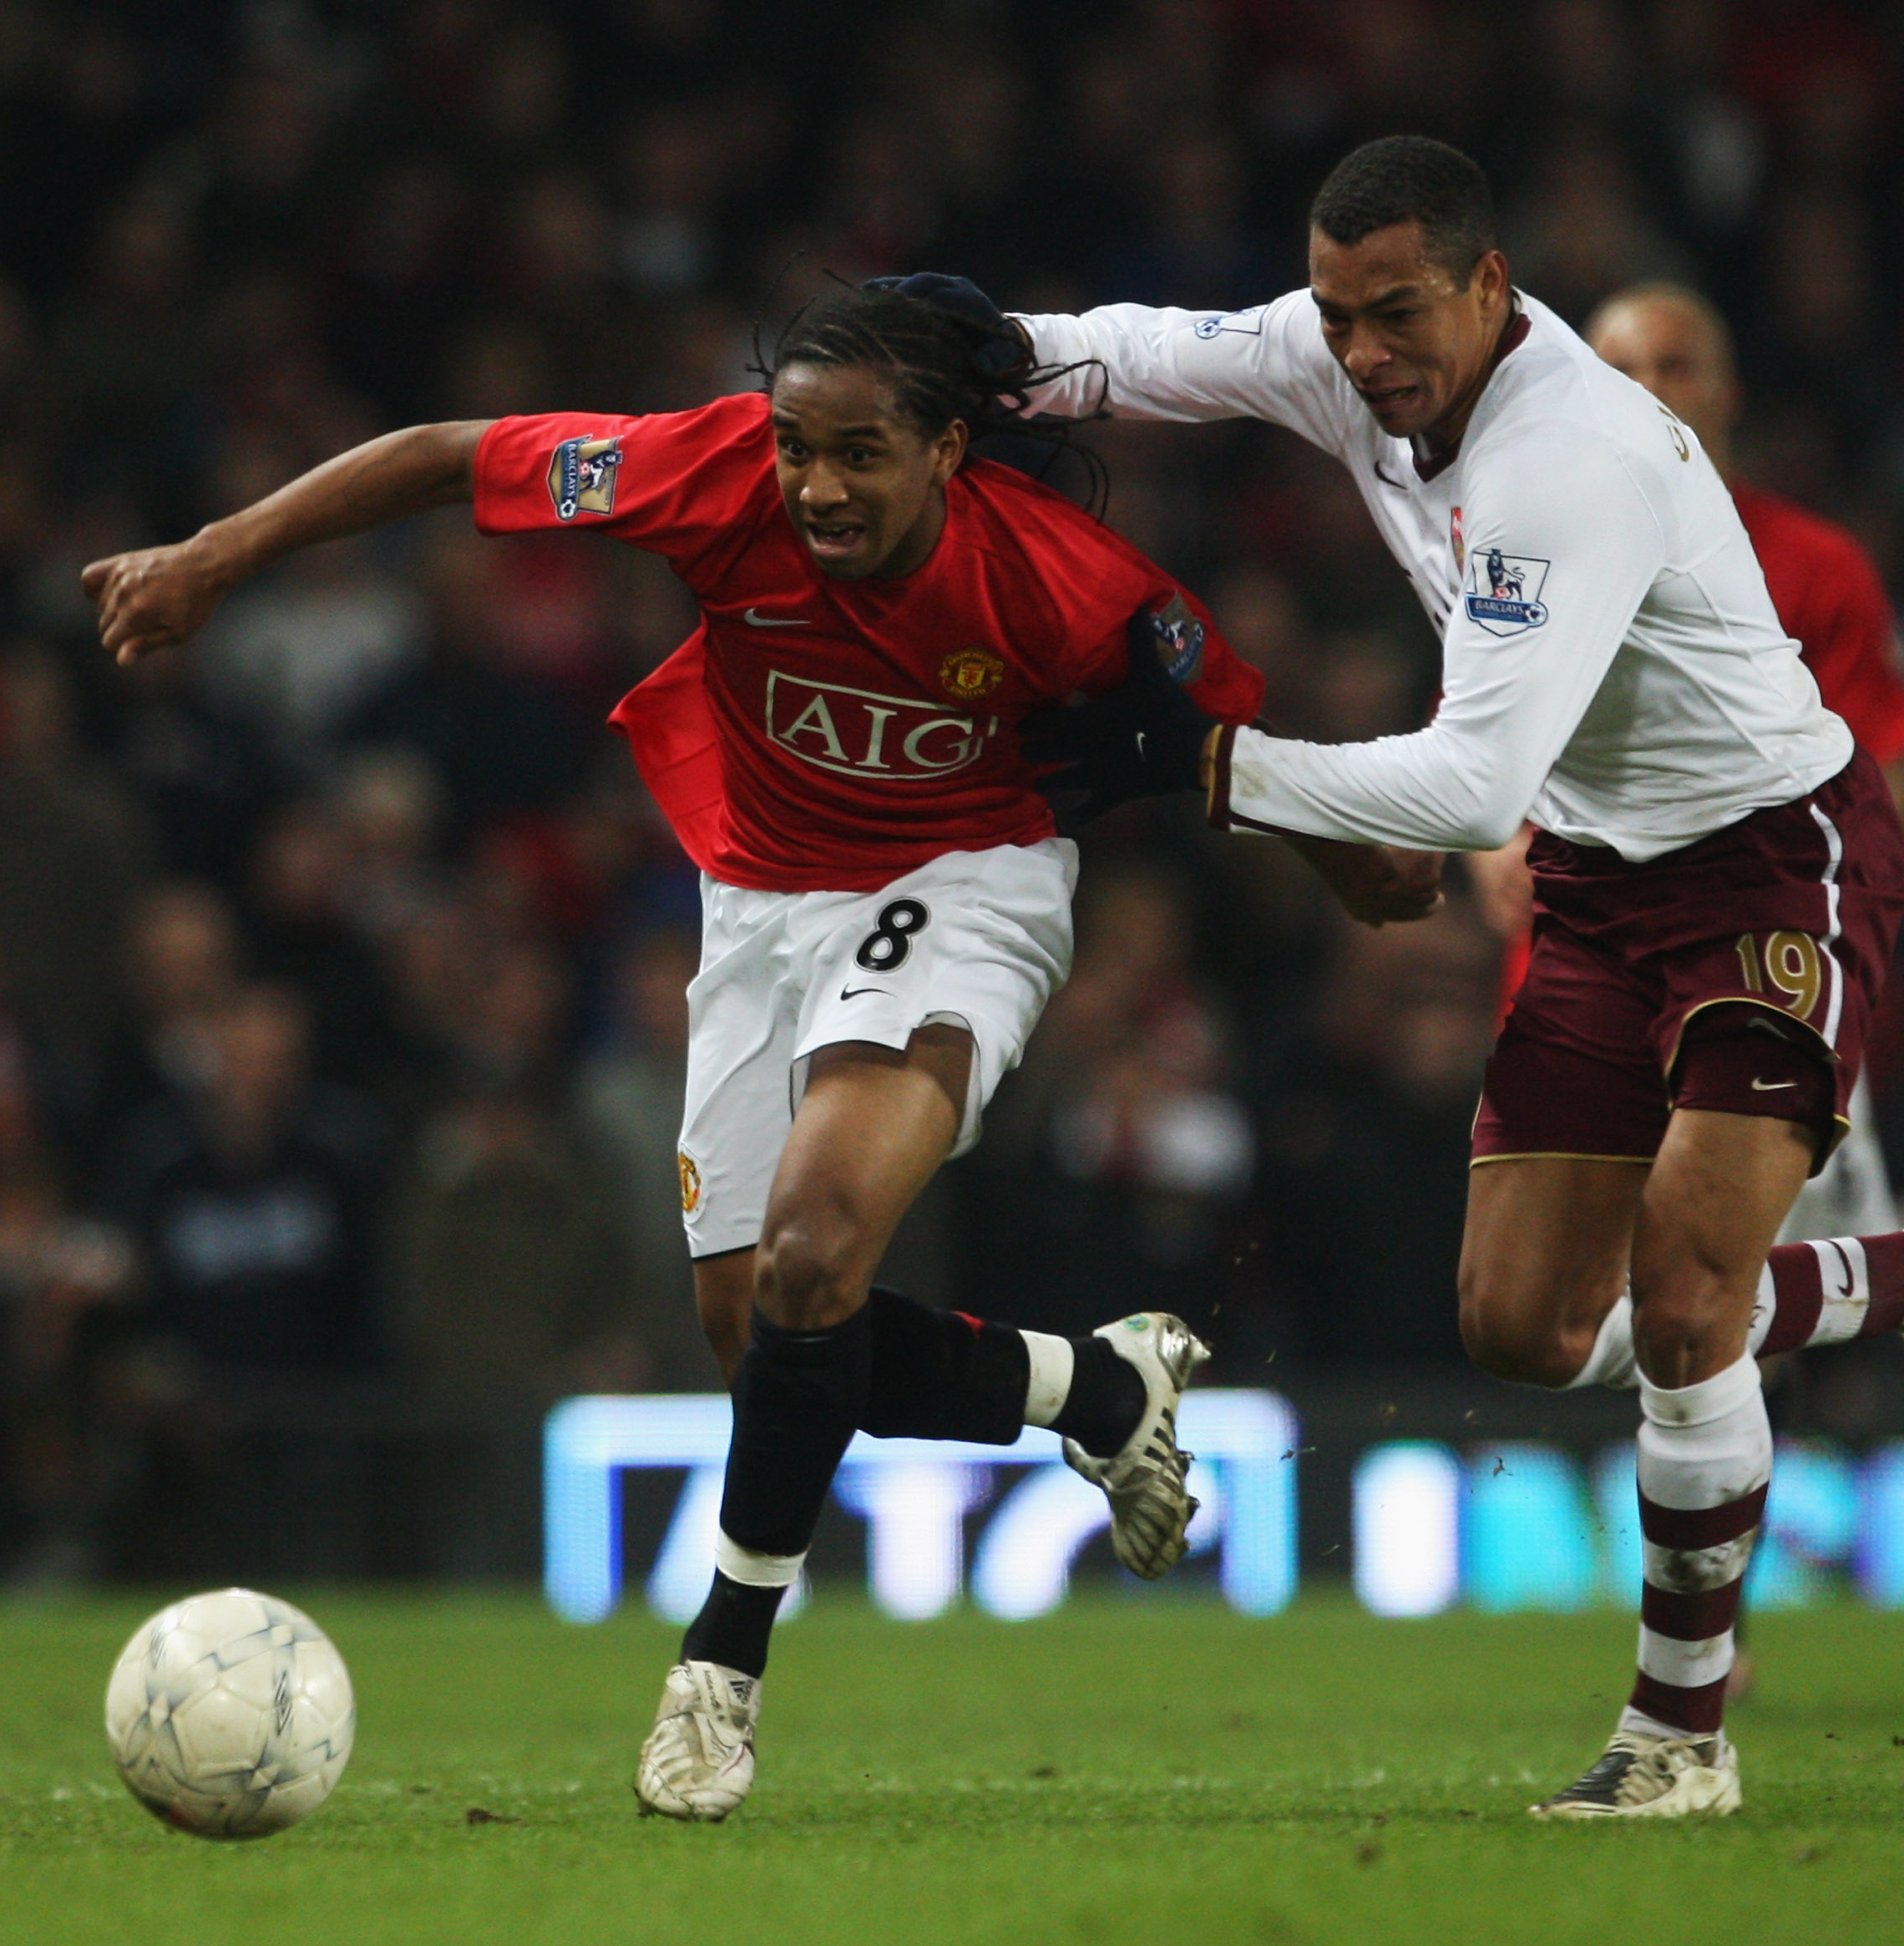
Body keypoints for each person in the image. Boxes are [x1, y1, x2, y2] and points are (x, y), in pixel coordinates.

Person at [81, 282, 1433, 1824]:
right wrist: (216, 557)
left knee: (813, 1253)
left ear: (945, 448)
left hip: (961, 886)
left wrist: (1360, 861)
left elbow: (1216, 737)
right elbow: (455, 455)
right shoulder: (706, 473)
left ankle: (715, 1677)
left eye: (860, 454)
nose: (818, 486)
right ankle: (1094, 1393)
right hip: (758, 895)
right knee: (768, 1337)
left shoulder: (1064, 587)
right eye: (798, 448)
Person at [1004, 136, 1904, 1818]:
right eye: (1338, 313)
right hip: (1596, 880)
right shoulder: (1349, 359)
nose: (1360, 352)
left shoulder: (1575, 452)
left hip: (1770, 858)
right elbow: (1137, 348)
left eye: (1396, 312)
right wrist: (966, 350)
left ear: (1493, 286)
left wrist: (1202, 766)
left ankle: (1678, 1737)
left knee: (1691, 1299)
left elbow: (1468, 790)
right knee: (1525, 1326)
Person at [1582, 281, 1904, 1244]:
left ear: (1727, 391)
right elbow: (1484, 760)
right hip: (1589, 987)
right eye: (1619, 372)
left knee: (1735, 1291)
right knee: (1556, 1306)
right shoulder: (1530, 559)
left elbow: (1884, 784)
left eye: (1674, 365)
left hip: (1763, 977)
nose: (1649, 390)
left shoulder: (1817, 567)